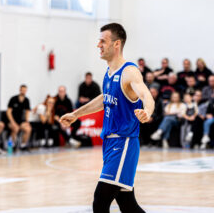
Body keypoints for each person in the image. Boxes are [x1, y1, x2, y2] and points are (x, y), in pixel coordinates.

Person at [60, 23, 154, 213]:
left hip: (123, 142)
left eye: (103, 41)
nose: (98, 45)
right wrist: (76, 114)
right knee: (127, 204)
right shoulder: (109, 73)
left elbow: (146, 95)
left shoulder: (129, 72)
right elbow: (104, 99)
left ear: (116, 44)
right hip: (110, 144)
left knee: (100, 201)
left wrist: (147, 112)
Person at [6, 85, 32, 151]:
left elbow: (27, 112)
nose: (23, 91)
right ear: (20, 90)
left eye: (25, 90)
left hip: (21, 121)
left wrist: (27, 121)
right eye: (22, 90)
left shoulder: (26, 100)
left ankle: (23, 145)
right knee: (15, 128)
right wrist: (12, 122)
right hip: (11, 120)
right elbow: (8, 112)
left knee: (28, 129)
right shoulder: (13, 99)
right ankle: (13, 145)